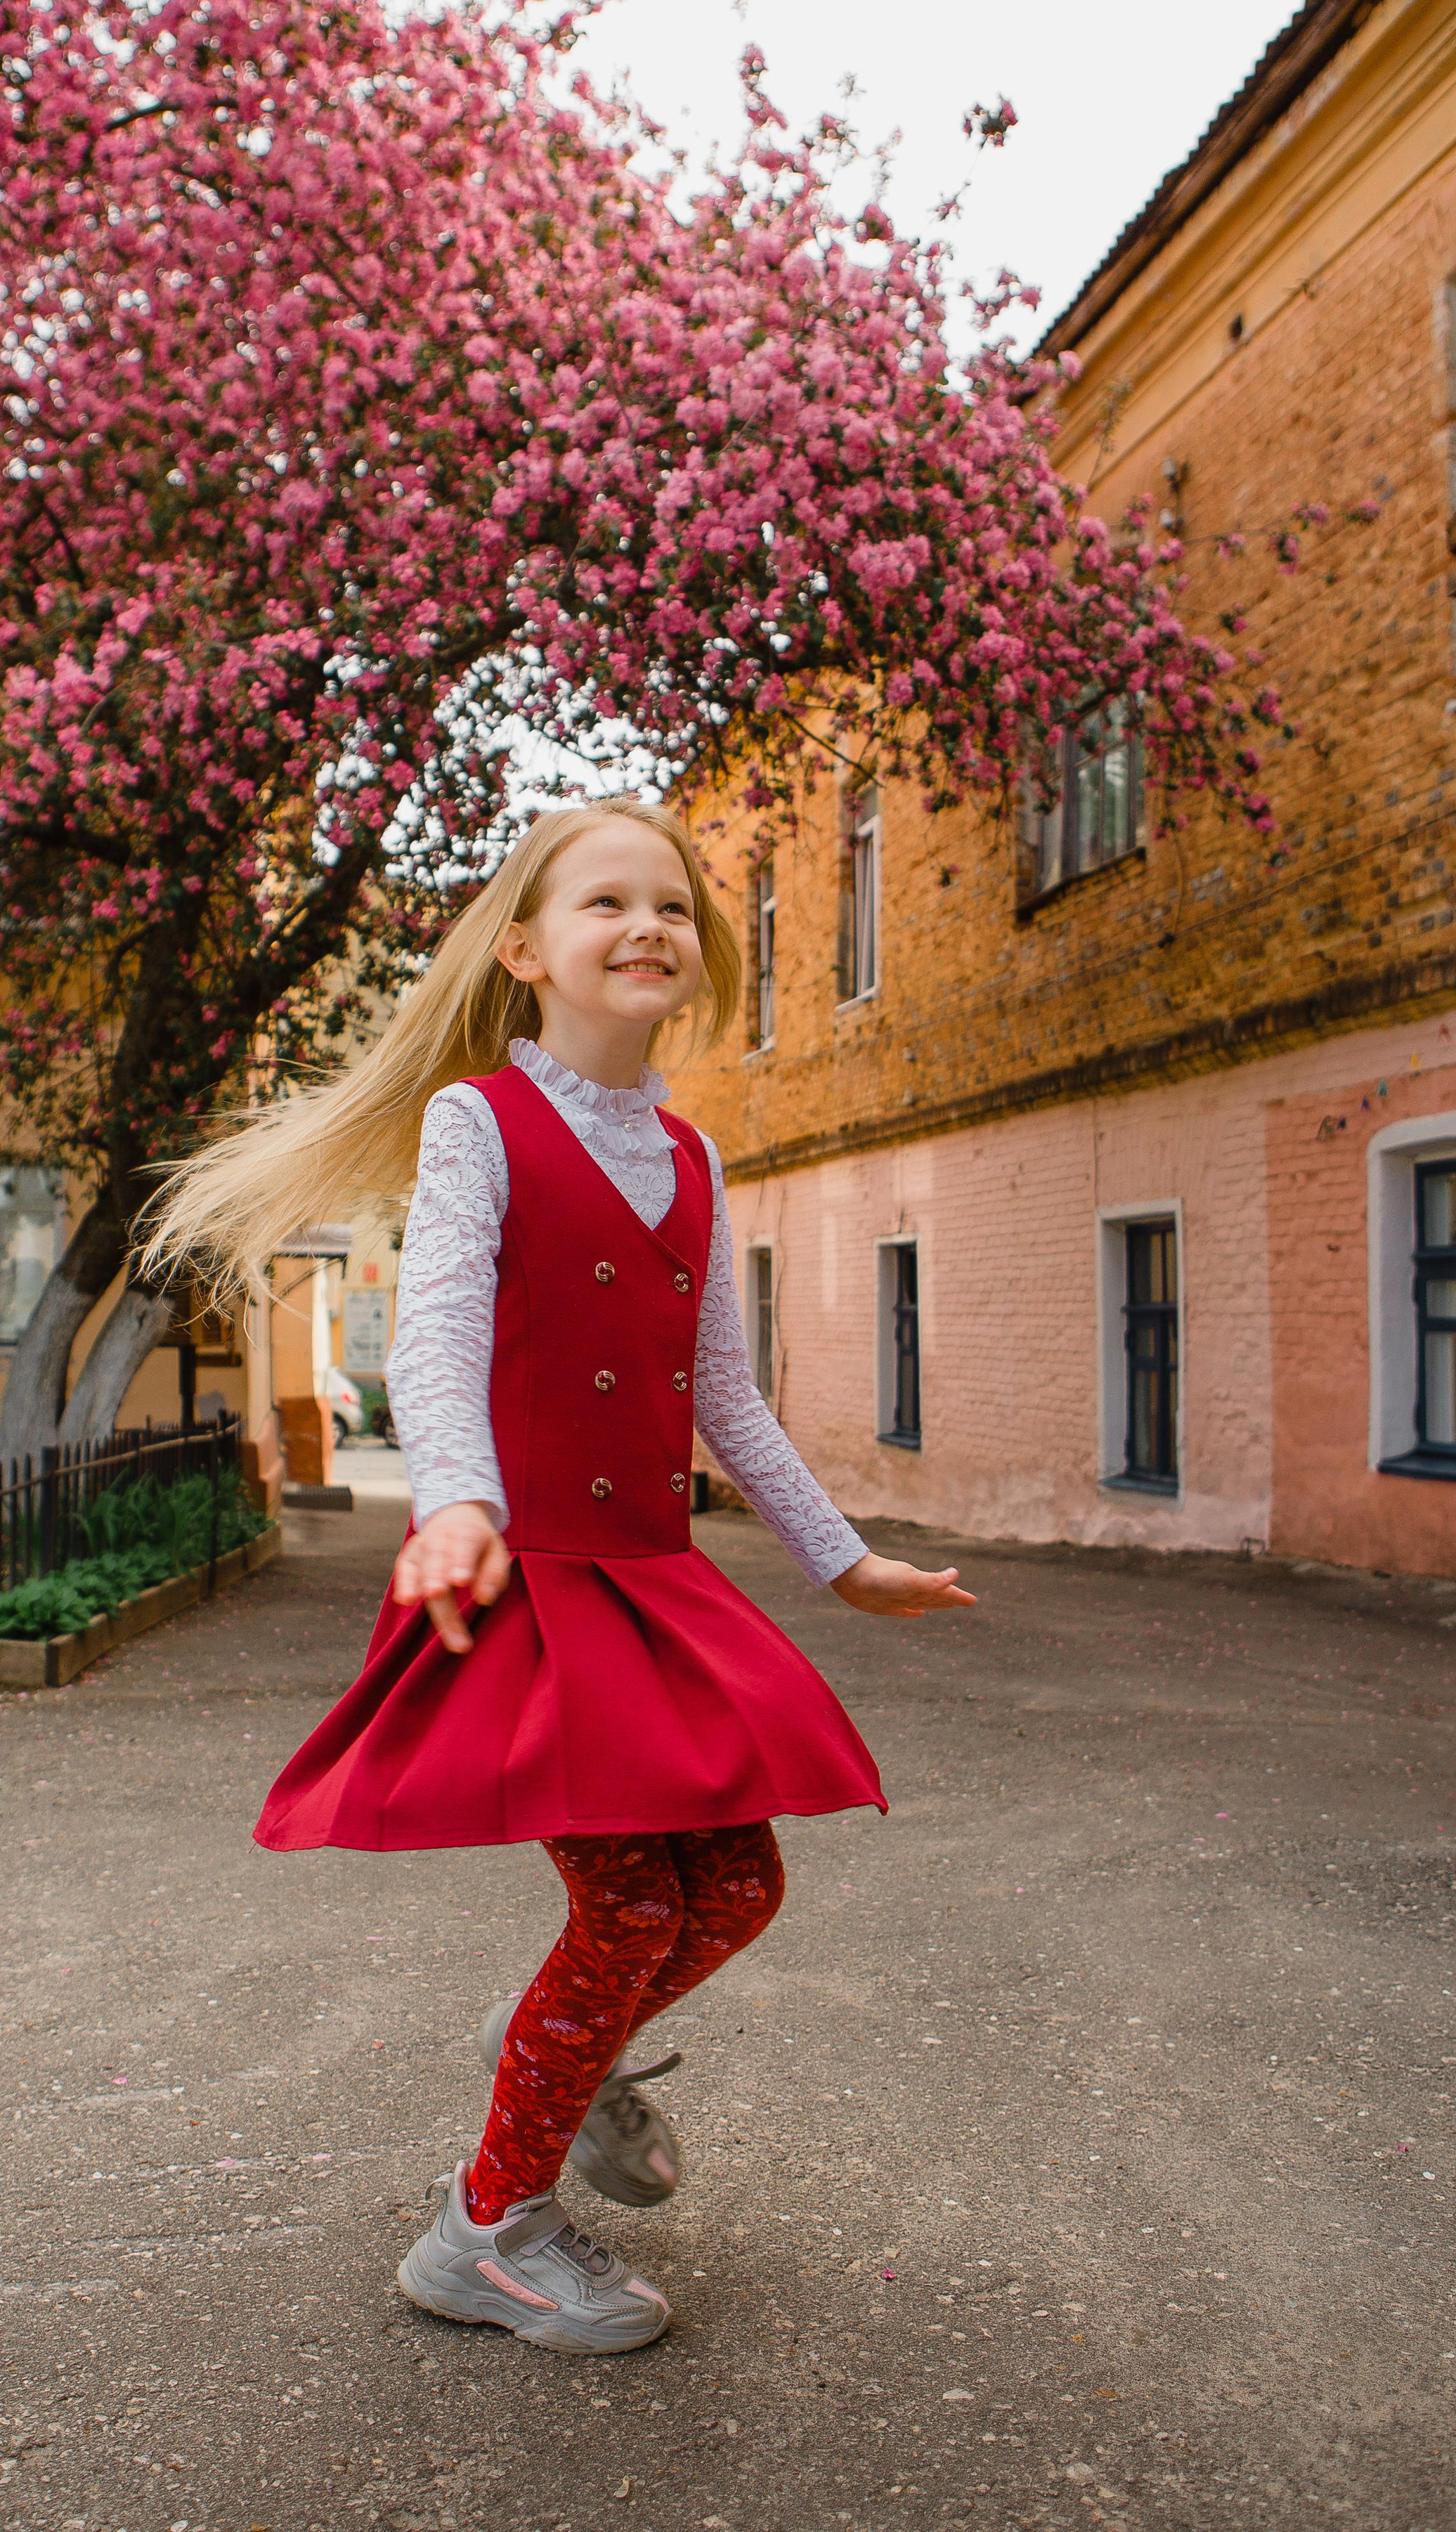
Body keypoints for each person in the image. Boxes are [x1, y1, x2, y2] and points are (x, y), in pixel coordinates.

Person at [148, 797, 972, 2354]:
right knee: (620, 1910)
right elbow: (439, 1337)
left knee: (735, 1885)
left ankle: (552, 2053)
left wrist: (844, 1560)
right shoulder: (479, 1123)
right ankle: (486, 2231)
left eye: (671, 903)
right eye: (606, 902)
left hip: (652, 1580)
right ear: (526, 948)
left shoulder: (689, 1150)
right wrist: (451, 1503)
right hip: (531, 1583)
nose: (647, 924)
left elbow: (720, 1393)